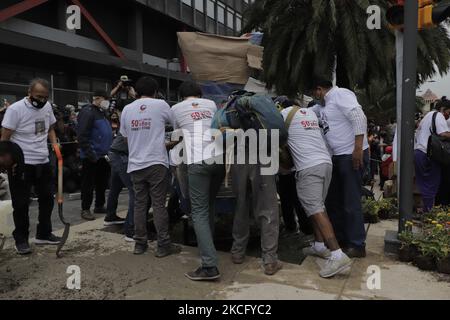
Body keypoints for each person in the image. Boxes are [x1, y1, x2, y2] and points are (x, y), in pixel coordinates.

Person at [281, 104, 352, 278]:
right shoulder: (310, 114)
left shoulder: (284, 114)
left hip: (309, 168)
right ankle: (320, 246)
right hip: (325, 163)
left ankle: (337, 254)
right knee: (317, 207)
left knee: (316, 210)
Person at [220, 93, 283, 276]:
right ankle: (270, 260)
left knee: (241, 205)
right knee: (268, 209)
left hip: (240, 158)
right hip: (264, 157)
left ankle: (237, 252)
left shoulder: (231, 109)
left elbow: (219, 133)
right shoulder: (265, 108)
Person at [120, 76, 181, 257]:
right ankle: (163, 245)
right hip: (156, 162)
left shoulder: (127, 109)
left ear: (137, 92)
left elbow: (125, 138)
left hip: (136, 164)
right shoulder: (161, 105)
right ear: (155, 92)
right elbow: (176, 125)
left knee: (140, 204)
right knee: (159, 204)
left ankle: (140, 244)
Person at [171, 81, 225, 281]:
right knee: (208, 206)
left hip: (198, 162)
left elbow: (177, 134)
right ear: (200, 93)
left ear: (180, 95)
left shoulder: (175, 108)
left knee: (199, 212)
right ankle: (208, 246)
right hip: (219, 160)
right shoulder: (210, 104)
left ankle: (209, 266)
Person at [1, 79, 61, 254]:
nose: (41, 100)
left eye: (44, 97)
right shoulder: (15, 110)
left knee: (47, 199)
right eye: (38, 96)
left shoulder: (47, 106)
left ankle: (44, 233)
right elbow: (5, 138)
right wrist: (5, 161)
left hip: (43, 160)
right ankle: (21, 239)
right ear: (29, 92)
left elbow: (50, 128)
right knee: (21, 204)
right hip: (21, 163)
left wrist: (54, 144)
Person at [312, 78, 369, 258]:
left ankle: (357, 244)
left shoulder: (340, 95)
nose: (314, 98)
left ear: (319, 89)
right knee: (333, 201)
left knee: (351, 201)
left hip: (351, 154)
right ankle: (342, 239)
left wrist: (358, 149)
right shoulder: (323, 106)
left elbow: (359, 117)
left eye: (314, 94)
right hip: (336, 157)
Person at [77, 91, 113, 221]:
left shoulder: (102, 112)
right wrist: (90, 153)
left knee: (101, 182)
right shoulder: (88, 112)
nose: (107, 102)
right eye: (105, 99)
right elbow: (82, 135)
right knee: (88, 183)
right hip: (91, 155)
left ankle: (99, 205)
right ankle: (85, 208)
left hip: (103, 154)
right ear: (97, 99)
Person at [414, 101, 450, 211]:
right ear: (443, 109)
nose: (448, 115)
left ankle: (426, 209)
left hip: (419, 152)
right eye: (448, 112)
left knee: (424, 184)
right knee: (432, 183)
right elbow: (443, 133)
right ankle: (429, 212)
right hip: (429, 154)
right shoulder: (439, 115)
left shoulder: (427, 116)